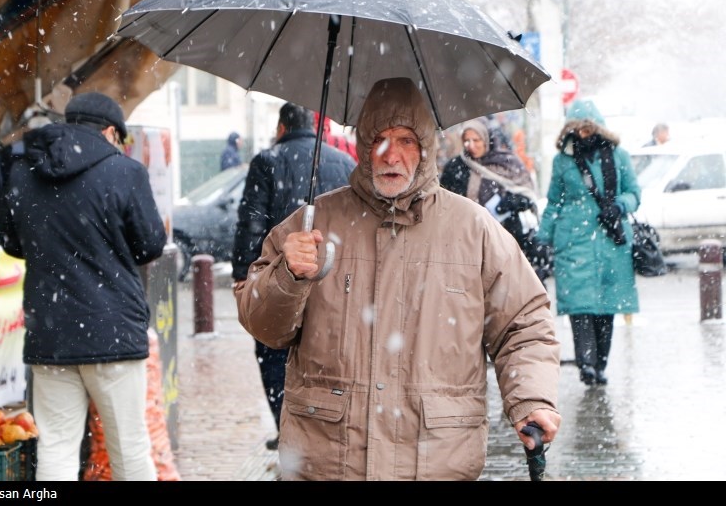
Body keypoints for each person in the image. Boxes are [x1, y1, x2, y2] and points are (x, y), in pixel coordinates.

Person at [234, 77, 561, 481]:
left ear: (425, 149)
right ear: (363, 149)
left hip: (436, 461)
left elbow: (523, 325)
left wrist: (531, 399)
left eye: (406, 140)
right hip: (329, 462)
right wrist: (288, 276)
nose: (392, 155)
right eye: (379, 140)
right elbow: (263, 326)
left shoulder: (473, 229)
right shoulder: (314, 223)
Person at [0, 92, 167, 481]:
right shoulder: (125, 172)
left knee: (55, 448)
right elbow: (149, 246)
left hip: (51, 331)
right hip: (112, 334)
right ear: (110, 132)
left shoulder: (25, 169)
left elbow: (10, 241)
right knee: (130, 448)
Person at [231, 102, 355, 451]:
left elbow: (251, 222)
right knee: (322, 355)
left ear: (282, 128)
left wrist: (244, 273)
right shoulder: (345, 162)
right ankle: (320, 432)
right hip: (332, 277)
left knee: (274, 351)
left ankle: (288, 430)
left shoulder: (267, 160)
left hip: (282, 277)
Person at [536, 99, 640, 387]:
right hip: (573, 241)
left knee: (607, 308)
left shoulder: (618, 156)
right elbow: (554, 203)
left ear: (598, 129)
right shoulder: (563, 161)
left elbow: (634, 193)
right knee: (580, 308)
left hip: (611, 241)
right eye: (578, 129)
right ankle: (587, 365)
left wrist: (619, 205)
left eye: (588, 128)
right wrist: (542, 238)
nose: (584, 134)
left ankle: (600, 364)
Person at [440, 119, 550, 284]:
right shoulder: (456, 167)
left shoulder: (507, 162)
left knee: (509, 284)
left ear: (486, 139)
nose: (471, 145)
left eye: (476, 140)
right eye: (467, 141)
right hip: (469, 237)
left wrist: (511, 202)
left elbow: (527, 194)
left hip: (508, 234)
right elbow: (445, 199)